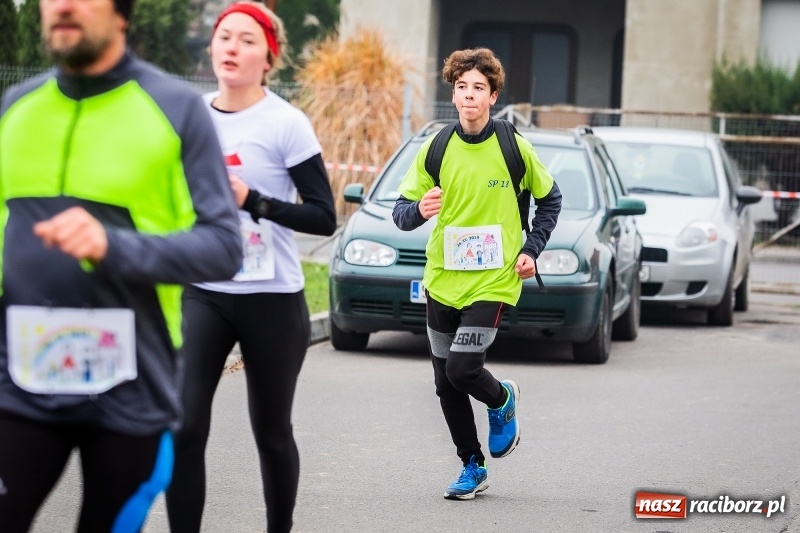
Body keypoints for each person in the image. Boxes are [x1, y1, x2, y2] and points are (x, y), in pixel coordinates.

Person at [0, 0, 243, 531]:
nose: (62, 6)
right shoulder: (15, 107)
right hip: (17, 381)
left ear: (122, 12)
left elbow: (224, 247)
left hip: (129, 384)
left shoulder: (174, 108)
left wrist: (113, 247)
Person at [165, 2, 336, 532]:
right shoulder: (189, 115)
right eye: (224, 37)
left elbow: (323, 217)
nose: (232, 47)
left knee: (271, 431)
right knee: (185, 427)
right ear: (212, 49)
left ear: (269, 57)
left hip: (272, 295)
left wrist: (252, 201)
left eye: (246, 39)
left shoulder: (286, 123)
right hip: (204, 290)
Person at [392, 48, 562, 500]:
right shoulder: (436, 147)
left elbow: (551, 200)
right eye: (462, 88)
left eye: (478, 89)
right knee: (444, 382)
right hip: (442, 280)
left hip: (494, 280)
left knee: (464, 368)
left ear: (493, 96)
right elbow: (401, 213)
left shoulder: (513, 146)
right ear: (454, 93)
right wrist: (418, 210)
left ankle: (502, 399)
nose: (469, 97)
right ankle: (472, 465)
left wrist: (531, 249)